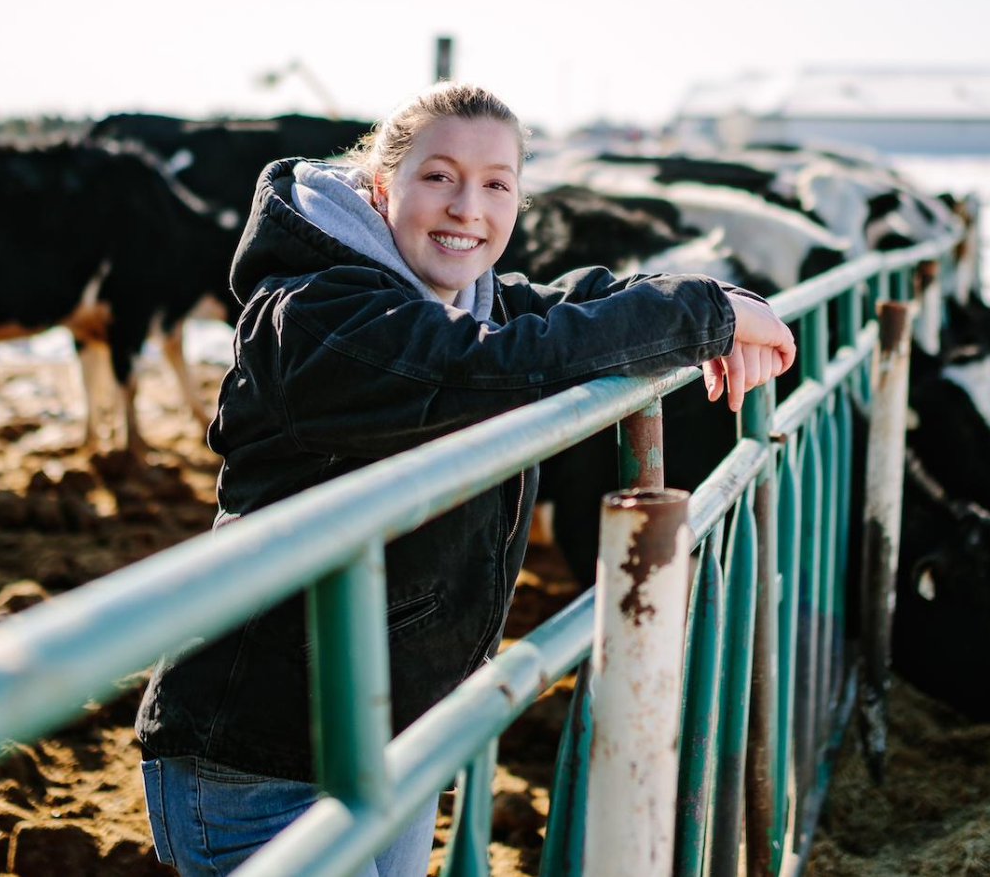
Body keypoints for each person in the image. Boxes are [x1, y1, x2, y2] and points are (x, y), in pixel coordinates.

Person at [133, 83, 796, 877]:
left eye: (496, 184)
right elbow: (483, 368)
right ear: (383, 190)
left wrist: (724, 297)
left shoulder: (468, 301)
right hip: (262, 758)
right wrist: (700, 322)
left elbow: (576, 300)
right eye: (438, 177)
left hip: (395, 733)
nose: (466, 209)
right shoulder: (315, 314)